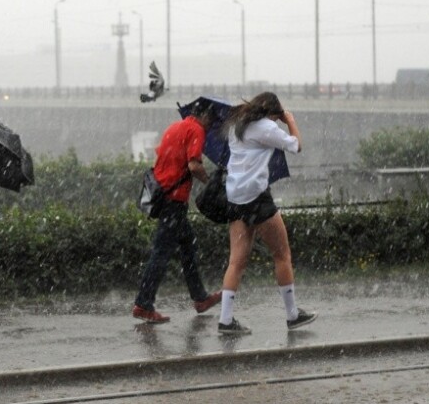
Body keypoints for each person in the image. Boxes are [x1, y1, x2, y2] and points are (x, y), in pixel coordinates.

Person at [217, 92, 317, 335]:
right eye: (277, 115)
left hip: (235, 198)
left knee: (236, 262)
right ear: (273, 113)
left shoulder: (236, 126)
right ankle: (293, 315)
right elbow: (296, 146)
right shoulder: (266, 127)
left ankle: (226, 320)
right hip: (257, 199)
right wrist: (290, 120)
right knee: (282, 255)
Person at [133, 101, 222, 323]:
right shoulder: (196, 130)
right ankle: (143, 303)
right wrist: (211, 182)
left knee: (188, 245)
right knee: (161, 253)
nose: (211, 126)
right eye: (211, 120)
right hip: (174, 201)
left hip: (163, 196)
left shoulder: (175, 127)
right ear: (204, 116)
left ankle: (200, 298)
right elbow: (193, 165)